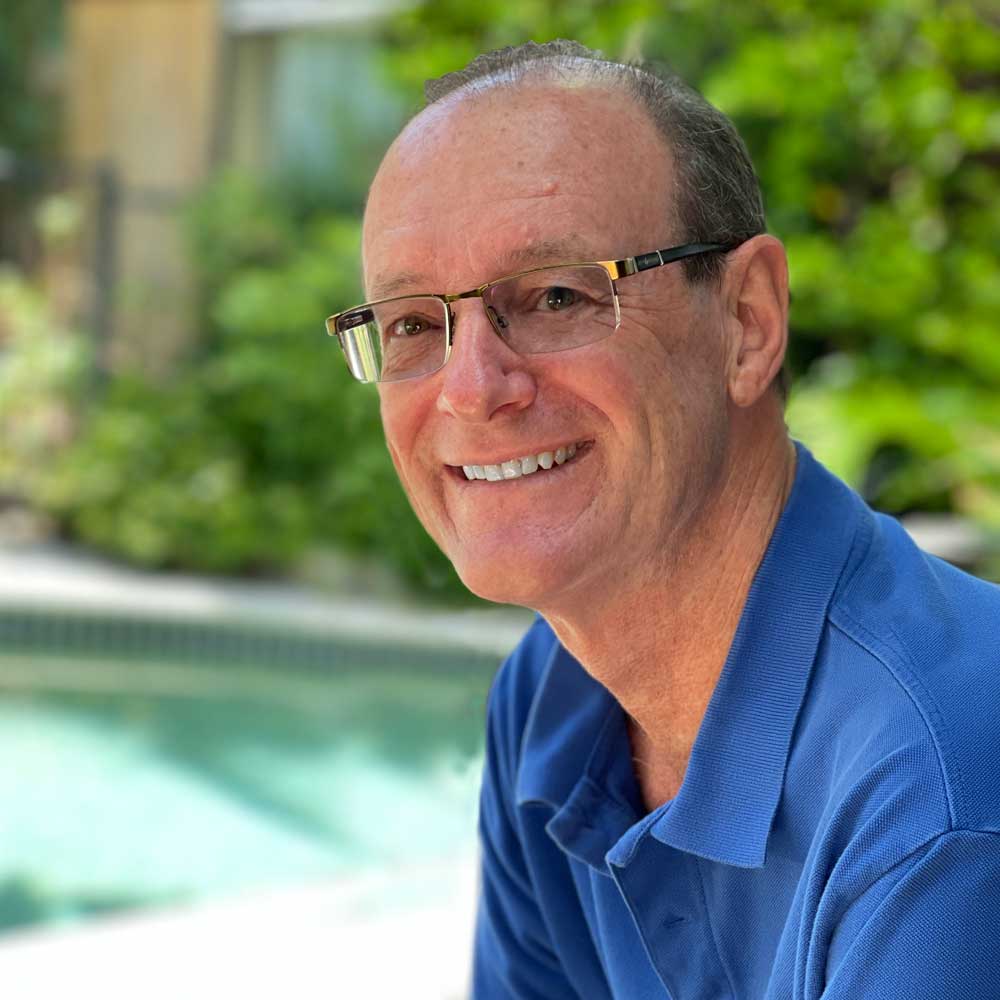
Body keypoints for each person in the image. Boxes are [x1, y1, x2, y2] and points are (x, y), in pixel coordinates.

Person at [326, 39, 1000, 999]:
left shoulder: (944, 800)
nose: (471, 390)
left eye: (556, 295)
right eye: (410, 325)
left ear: (748, 322)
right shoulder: (555, 697)